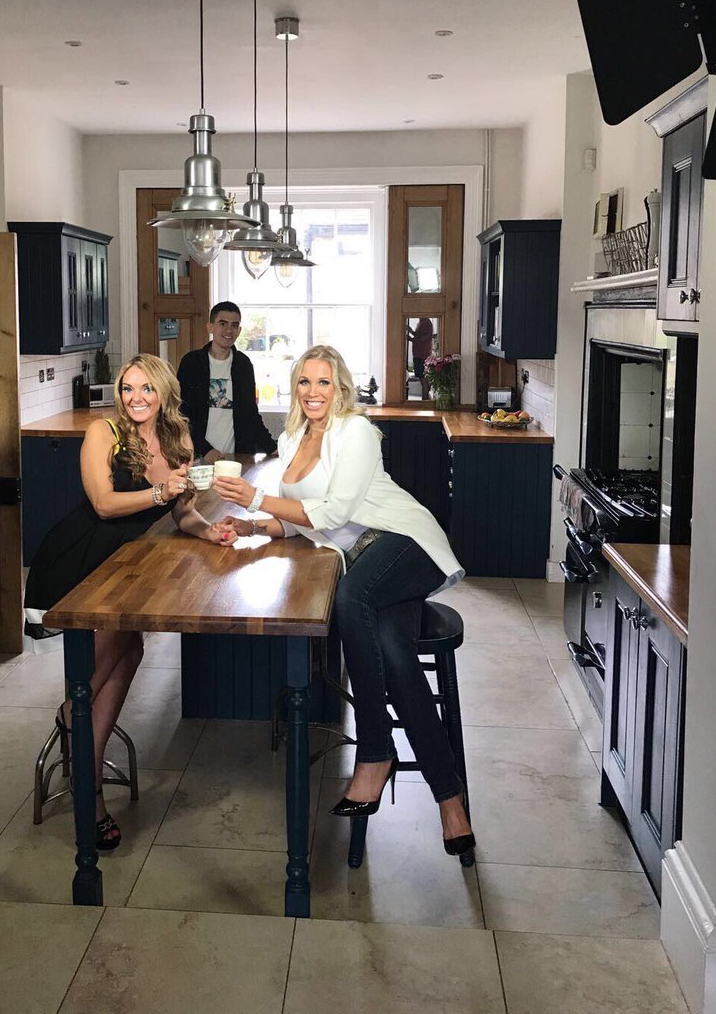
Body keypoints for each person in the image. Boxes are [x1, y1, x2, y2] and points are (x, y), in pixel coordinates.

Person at [212, 344, 475, 854]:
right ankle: (450, 800)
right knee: (395, 653)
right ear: (295, 388)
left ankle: (375, 753)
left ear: (340, 389)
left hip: (404, 540)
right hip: (367, 559)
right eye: (304, 382)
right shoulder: (291, 439)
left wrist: (257, 498)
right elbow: (302, 521)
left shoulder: (356, 432)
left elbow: (333, 512)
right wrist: (252, 525)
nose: (313, 392)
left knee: (350, 597)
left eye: (323, 382)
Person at [24, 353, 238, 850]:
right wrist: (161, 491)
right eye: (127, 388)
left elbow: (182, 513)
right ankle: (83, 761)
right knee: (109, 656)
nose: (135, 398)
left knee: (131, 649)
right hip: (83, 558)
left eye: (146, 389)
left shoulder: (179, 439)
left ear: (163, 393)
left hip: (129, 562)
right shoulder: (104, 433)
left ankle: (80, 745)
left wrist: (210, 532)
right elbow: (103, 505)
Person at [177, 301, 278, 463]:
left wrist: (272, 448)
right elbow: (181, 414)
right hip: (197, 456)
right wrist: (205, 449)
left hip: (237, 457)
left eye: (234, 325)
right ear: (210, 327)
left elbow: (250, 414)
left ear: (239, 331)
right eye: (222, 324)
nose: (229, 330)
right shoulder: (192, 363)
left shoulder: (243, 365)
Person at [409, 316, 434, 399]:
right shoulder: (420, 323)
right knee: (422, 380)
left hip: (422, 355)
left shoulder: (426, 323)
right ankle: (425, 401)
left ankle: (425, 402)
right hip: (418, 355)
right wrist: (411, 336)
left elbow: (423, 338)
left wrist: (411, 333)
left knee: (424, 381)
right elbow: (419, 337)